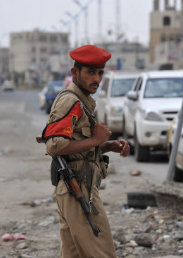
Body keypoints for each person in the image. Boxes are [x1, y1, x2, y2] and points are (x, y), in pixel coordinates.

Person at [41, 45, 130, 258]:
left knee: (73, 254)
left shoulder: (84, 100)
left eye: (100, 73)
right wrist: (96, 139)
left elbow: (78, 144)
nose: (97, 79)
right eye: (90, 72)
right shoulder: (71, 101)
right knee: (102, 252)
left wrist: (106, 145)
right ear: (75, 73)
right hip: (76, 188)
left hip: (78, 186)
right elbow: (54, 145)